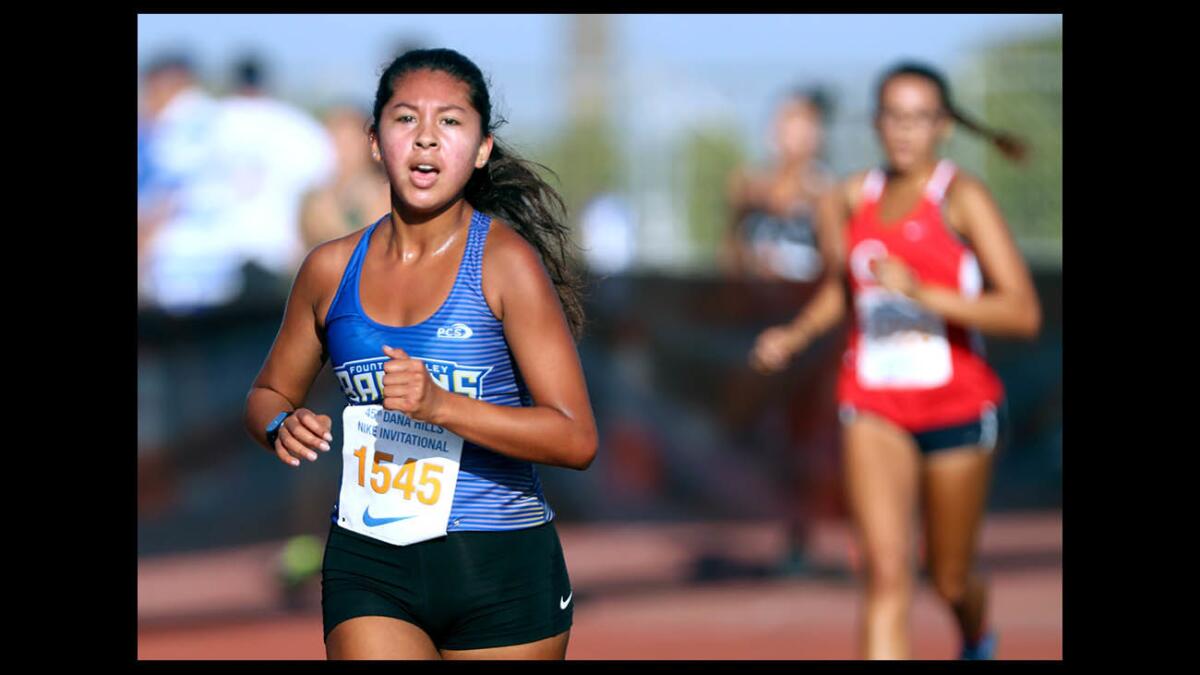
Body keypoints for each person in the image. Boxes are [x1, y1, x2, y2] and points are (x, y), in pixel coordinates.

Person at [243, 48, 597, 660]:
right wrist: (281, 423)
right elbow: (267, 394)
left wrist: (442, 405)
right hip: (369, 561)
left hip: (499, 567)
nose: (427, 139)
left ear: (482, 149)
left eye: (451, 122)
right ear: (376, 141)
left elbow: (575, 439)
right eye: (406, 119)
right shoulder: (329, 270)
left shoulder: (505, 263)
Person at [749, 62, 1040, 660]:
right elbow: (841, 289)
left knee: (949, 576)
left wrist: (923, 292)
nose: (905, 131)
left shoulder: (961, 197)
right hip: (873, 402)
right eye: (893, 116)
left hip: (956, 406)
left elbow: (1022, 312)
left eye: (920, 118)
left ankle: (976, 633)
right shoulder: (852, 197)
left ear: (943, 125)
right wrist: (795, 335)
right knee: (885, 576)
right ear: (877, 123)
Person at [723, 87, 835, 282]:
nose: (796, 131)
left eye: (805, 121)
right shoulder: (749, 185)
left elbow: (832, 260)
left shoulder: (825, 191)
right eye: (788, 120)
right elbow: (730, 253)